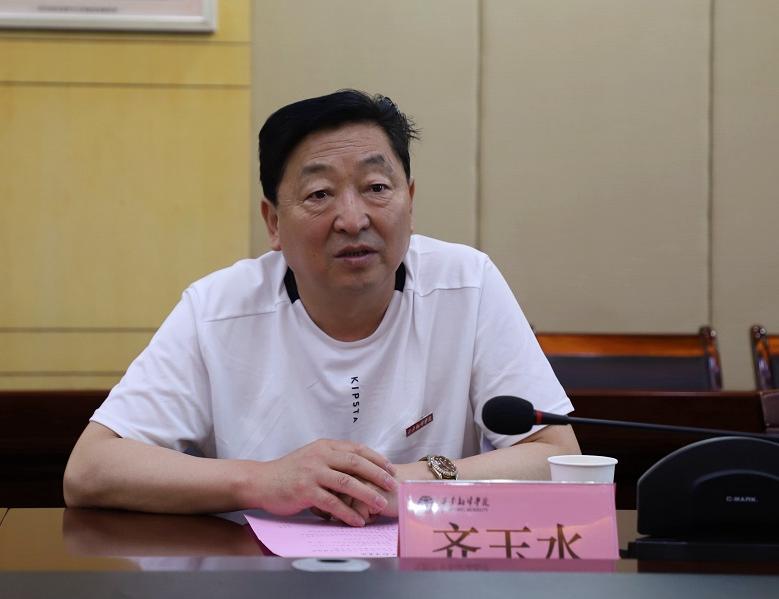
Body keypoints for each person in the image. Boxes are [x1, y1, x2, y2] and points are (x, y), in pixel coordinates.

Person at [63, 89, 580, 527]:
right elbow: (89, 470)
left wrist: (402, 484)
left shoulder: (467, 283)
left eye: (376, 188)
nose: (352, 219)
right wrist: (264, 481)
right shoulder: (218, 309)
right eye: (319, 194)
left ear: (410, 202)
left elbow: (558, 458)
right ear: (273, 222)